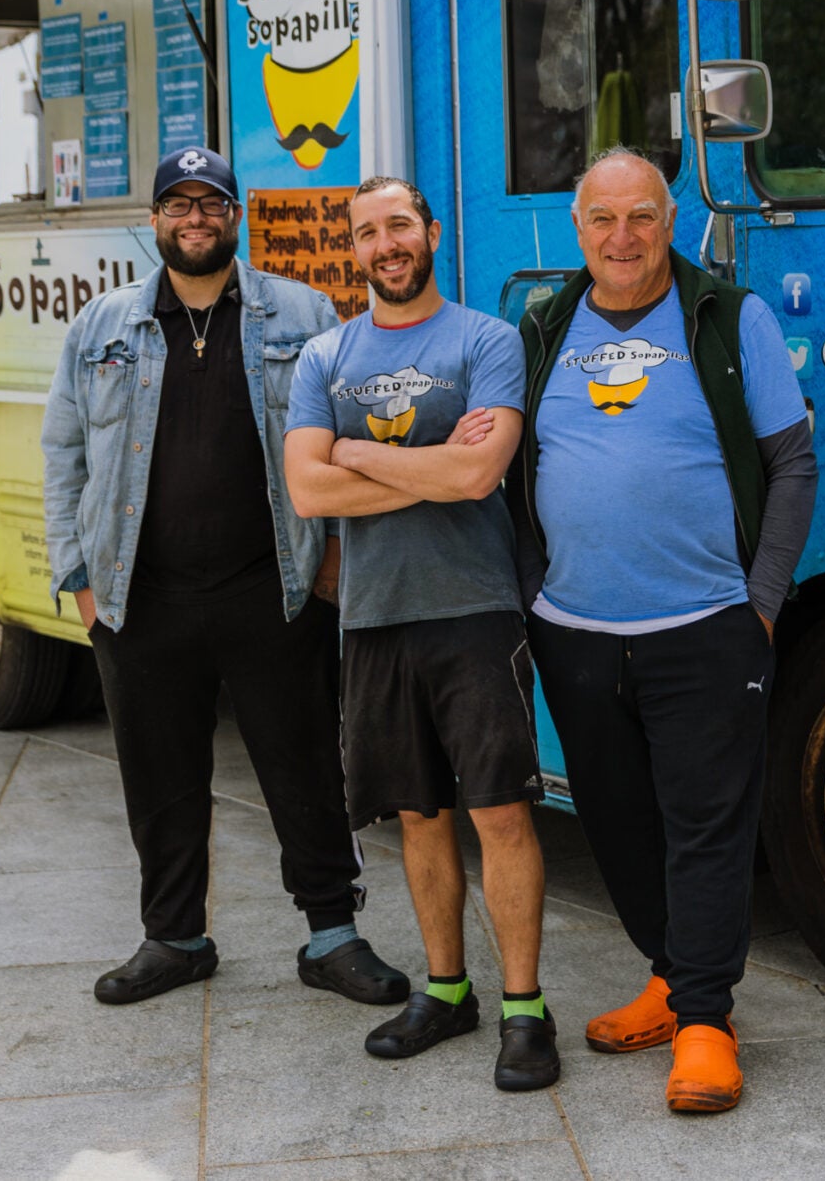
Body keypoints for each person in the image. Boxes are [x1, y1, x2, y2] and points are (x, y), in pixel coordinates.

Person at [41, 146, 408, 1010]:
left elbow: (343, 440)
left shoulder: (303, 313)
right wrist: (82, 579)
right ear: (157, 218)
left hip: (271, 587)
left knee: (307, 765)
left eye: (212, 203)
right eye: (179, 203)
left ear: (236, 216)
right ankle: (174, 937)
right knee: (158, 777)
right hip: (141, 596)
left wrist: (329, 559)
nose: (196, 218)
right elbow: (62, 456)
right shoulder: (102, 326)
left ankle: (332, 936)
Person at [509, 147, 817, 1114]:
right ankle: (667, 978)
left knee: (706, 826)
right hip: (576, 630)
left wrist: (760, 602)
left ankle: (707, 1022)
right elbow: (516, 463)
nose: (623, 237)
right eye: (603, 219)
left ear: (670, 219)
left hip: (706, 626)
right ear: (577, 228)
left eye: (641, 216)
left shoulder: (730, 318)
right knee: (616, 821)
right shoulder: (545, 323)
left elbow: (794, 464)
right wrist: (533, 593)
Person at [282, 177, 559, 1091]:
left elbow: (483, 474)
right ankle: (447, 990)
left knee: (501, 810)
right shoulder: (324, 354)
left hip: (476, 610)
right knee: (417, 813)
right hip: (374, 618)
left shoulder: (486, 340)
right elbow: (308, 492)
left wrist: (357, 449)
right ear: (354, 250)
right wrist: (428, 467)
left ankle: (525, 1007)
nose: (386, 243)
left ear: (430, 232)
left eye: (400, 224)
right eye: (368, 232)